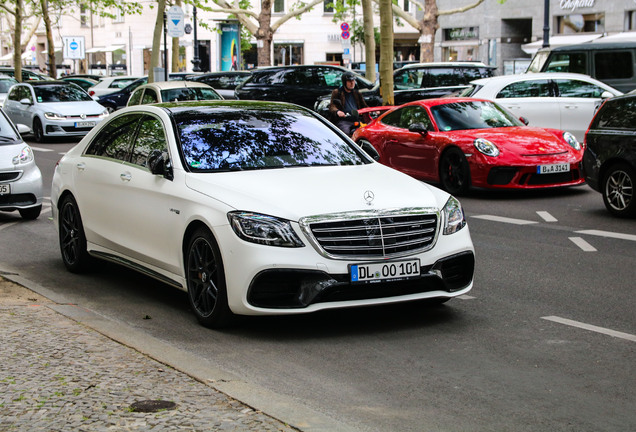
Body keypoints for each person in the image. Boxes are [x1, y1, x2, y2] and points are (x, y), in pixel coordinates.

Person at [328, 71, 368, 136]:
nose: (352, 83)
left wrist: (374, 110)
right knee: (345, 134)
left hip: (357, 120)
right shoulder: (337, 92)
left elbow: (364, 106)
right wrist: (338, 112)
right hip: (344, 121)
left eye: (353, 81)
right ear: (344, 82)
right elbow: (332, 106)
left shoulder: (357, 93)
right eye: (349, 81)